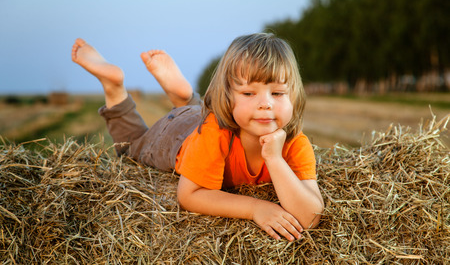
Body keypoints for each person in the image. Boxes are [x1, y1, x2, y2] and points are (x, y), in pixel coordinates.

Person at [71, 33, 324, 241]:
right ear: (227, 96)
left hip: (203, 116)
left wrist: (275, 159)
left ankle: (185, 98)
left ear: (294, 96)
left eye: (278, 93)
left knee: (199, 114)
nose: (265, 104)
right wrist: (256, 208)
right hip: (176, 135)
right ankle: (114, 86)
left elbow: (310, 216)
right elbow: (189, 195)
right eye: (249, 93)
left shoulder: (295, 142)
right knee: (130, 148)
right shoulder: (216, 134)